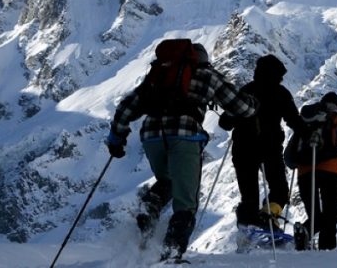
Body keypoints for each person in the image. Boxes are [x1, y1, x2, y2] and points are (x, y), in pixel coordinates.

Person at [105, 39, 256, 259]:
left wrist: (116, 138)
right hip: (184, 135)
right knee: (186, 201)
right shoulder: (206, 75)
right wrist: (254, 104)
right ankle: (171, 254)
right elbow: (242, 107)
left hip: (151, 136)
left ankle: (150, 206)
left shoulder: (157, 76)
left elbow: (126, 107)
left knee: (168, 181)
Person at [218, 54, 305, 227]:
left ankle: (247, 225)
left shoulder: (245, 91)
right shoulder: (281, 93)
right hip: (270, 148)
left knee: (249, 194)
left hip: (243, 149)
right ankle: (268, 216)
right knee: (280, 190)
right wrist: (308, 133)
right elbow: (294, 120)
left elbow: (225, 123)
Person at [286, 91, 337, 250]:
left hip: (305, 172)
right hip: (330, 172)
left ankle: (304, 233)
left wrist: (298, 164)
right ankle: (327, 254)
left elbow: (289, 155)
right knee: (330, 215)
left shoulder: (306, 121)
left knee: (315, 216)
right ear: (336, 106)